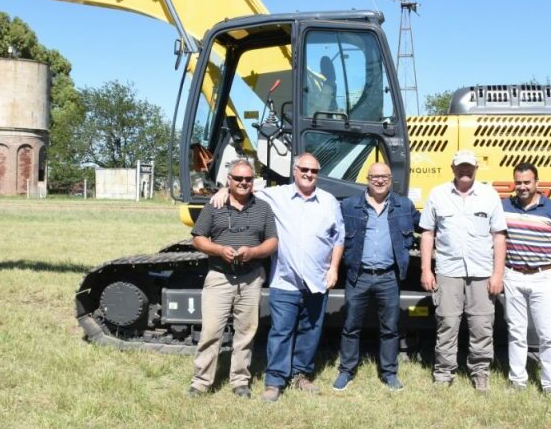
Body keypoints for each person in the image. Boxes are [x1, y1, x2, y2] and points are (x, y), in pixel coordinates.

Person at [209, 152, 344, 402]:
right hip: (285, 281)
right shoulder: (276, 195)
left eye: (313, 171)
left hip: (317, 280)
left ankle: (301, 375)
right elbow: (244, 187)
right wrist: (223, 191)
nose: (308, 174)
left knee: (310, 331)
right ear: (294, 171)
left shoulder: (329, 201)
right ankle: (275, 381)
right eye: (304, 169)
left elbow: (338, 238)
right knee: (281, 332)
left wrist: (334, 268)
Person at [188, 160, 278, 399]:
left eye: (247, 179)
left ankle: (240, 380)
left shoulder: (263, 208)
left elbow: (272, 241)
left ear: (253, 181)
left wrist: (254, 252)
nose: (243, 183)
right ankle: (201, 382)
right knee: (210, 331)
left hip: (251, 278)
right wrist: (218, 250)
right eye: (238, 179)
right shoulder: (214, 205)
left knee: (245, 332)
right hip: (220, 276)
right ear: (228, 180)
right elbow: (197, 238)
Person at [419, 149, 507, 392]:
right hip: (448, 271)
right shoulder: (438, 195)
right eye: (460, 167)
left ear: (476, 168)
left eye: (469, 167)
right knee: (447, 323)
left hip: (481, 272)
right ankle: (444, 373)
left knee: (481, 325)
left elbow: (499, 237)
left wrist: (497, 274)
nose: (465, 171)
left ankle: (480, 372)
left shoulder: (489, 196)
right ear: (453, 169)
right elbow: (428, 234)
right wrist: (426, 269)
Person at [333, 162, 418, 392]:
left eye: (384, 177)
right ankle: (346, 371)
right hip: (358, 276)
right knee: (351, 326)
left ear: (390, 180)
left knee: (390, 328)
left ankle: (389, 373)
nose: (379, 181)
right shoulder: (349, 206)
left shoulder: (403, 205)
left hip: (389, 276)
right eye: (374, 177)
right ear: (367, 179)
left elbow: (426, 226)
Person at [499, 162, 551, 396]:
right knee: (516, 331)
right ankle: (517, 380)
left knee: (547, 334)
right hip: (513, 274)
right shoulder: (504, 206)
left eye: (527, 182)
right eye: (518, 182)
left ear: (536, 183)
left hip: (543, 276)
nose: (522, 187)